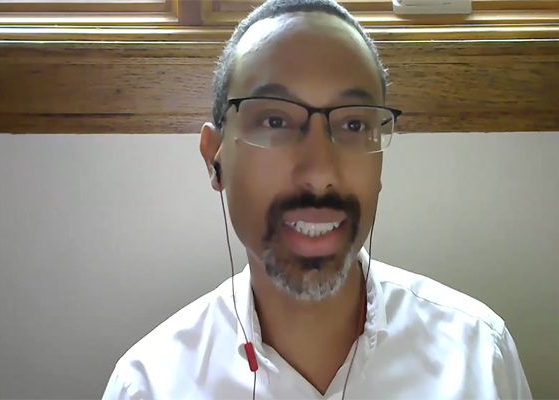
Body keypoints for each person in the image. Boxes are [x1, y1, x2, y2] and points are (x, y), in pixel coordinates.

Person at [101, 0, 532, 399]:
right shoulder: (150, 385)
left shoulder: (477, 356)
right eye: (275, 120)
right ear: (215, 158)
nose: (321, 173)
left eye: (354, 126)